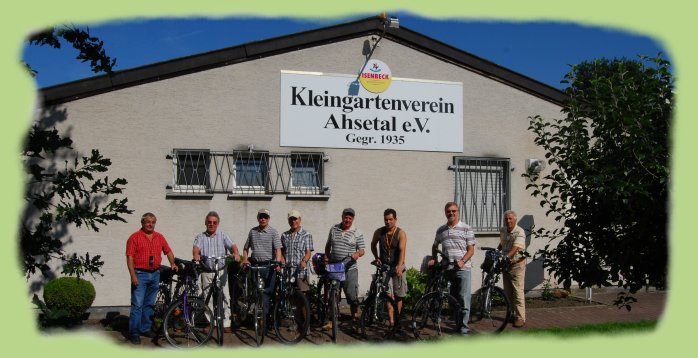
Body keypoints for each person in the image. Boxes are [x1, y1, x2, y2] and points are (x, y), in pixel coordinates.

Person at [125, 212, 178, 345]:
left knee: (149, 304)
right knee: (137, 305)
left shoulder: (159, 237)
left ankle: (145, 328)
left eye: (153, 222)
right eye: (148, 222)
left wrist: (172, 263)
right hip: (140, 274)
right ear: (142, 223)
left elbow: (168, 251)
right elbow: (130, 257)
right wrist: (133, 276)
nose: (150, 224)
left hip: (155, 274)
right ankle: (134, 333)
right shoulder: (134, 238)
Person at [429, 202, 476, 336]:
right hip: (448, 269)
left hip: (463, 269)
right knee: (453, 300)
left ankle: (464, 331)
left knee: (464, 299)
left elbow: (471, 250)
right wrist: (435, 259)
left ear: (458, 212)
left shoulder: (466, 228)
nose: (451, 213)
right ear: (445, 213)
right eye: (449, 211)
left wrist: (462, 261)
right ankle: (457, 327)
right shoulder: (441, 230)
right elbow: (435, 246)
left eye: (454, 211)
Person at [192, 211, 239, 333]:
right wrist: (196, 255)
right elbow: (196, 248)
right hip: (207, 271)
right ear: (205, 223)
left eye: (214, 222)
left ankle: (226, 323)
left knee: (225, 296)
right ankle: (211, 323)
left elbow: (232, 245)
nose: (211, 225)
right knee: (208, 298)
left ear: (218, 224)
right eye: (209, 222)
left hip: (221, 272)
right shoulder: (201, 237)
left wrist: (235, 253)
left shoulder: (222, 235)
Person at [324, 208, 365, 330]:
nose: (347, 220)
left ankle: (354, 319)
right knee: (333, 294)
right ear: (342, 217)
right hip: (335, 267)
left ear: (353, 219)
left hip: (349, 268)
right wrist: (327, 256)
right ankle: (331, 320)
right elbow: (328, 244)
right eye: (345, 217)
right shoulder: (334, 229)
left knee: (351, 296)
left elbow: (362, 249)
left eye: (350, 218)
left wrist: (357, 254)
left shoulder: (357, 232)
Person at [370, 208, 407, 328]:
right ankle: (391, 322)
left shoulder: (401, 233)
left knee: (399, 295)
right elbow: (372, 244)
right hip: (385, 268)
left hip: (398, 266)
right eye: (386, 219)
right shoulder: (379, 232)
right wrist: (376, 257)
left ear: (395, 219)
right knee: (388, 295)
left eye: (390, 219)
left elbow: (402, 250)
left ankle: (398, 319)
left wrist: (400, 266)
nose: (388, 222)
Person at [241, 208, 282, 317]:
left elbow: (278, 249)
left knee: (267, 292)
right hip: (255, 266)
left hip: (268, 266)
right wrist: (245, 260)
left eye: (265, 217)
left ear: (268, 219)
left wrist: (277, 263)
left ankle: (266, 317)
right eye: (261, 217)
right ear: (258, 218)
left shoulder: (273, 232)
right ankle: (255, 314)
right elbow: (245, 248)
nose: (263, 219)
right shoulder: (252, 231)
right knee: (256, 291)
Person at [499, 210, 527, 328]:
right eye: (506, 219)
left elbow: (515, 248)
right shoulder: (503, 230)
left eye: (510, 219)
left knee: (517, 291)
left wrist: (506, 257)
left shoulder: (520, 232)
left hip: (517, 264)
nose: (508, 221)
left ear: (515, 219)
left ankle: (521, 318)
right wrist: (496, 252)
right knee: (508, 291)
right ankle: (511, 314)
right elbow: (502, 243)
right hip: (506, 264)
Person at [280, 209, 314, 295]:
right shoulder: (284, 235)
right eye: (291, 219)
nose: (293, 221)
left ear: (300, 219)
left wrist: (304, 261)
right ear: (288, 220)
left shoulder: (306, 234)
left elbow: (308, 252)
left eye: (295, 219)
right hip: (287, 271)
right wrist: (281, 259)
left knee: (303, 297)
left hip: (300, 271)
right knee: (288, 296)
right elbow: (282, 251)